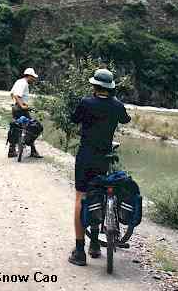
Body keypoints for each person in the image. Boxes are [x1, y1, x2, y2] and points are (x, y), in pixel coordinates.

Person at [68, 68, 131, 267]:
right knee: (98, 196)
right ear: (111, 88)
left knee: (81, 197)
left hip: (86, 156)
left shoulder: (86, 103)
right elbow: (125, 119)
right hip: (104, 158)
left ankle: (80, 251)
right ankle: (95, 244)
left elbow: (74, 119)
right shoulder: (117, 106)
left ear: (94, 86)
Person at [7, 68, 43, 159]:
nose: (34, 79)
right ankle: (33, 151)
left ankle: (11, 150)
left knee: (16, 126)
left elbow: (12, 94)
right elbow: (17, 95)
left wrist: (16, 103)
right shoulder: (24, 84)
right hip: (21, 109)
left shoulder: (18, 81)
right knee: (33, 127)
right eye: (33, 77)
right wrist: (22, 105)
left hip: (15, 108)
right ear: (29, 76)